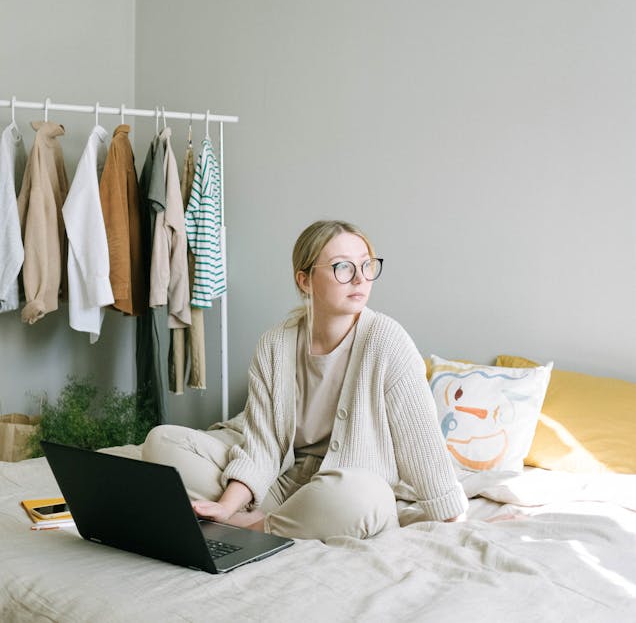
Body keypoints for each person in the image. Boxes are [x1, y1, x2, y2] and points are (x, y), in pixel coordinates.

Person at [142, 220, 468, 541]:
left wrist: (453, 514)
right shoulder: (275, 344)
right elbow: (263, 444)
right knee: (161, 442)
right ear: (306, 280)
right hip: (283, 482)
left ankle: (260, 526)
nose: (360, 278)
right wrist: (226, 506)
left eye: (367, 265)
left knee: (363, 497)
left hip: (345, 489)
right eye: (343, 267)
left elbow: (420, 443)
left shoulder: (386, 340)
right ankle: (273, 518)